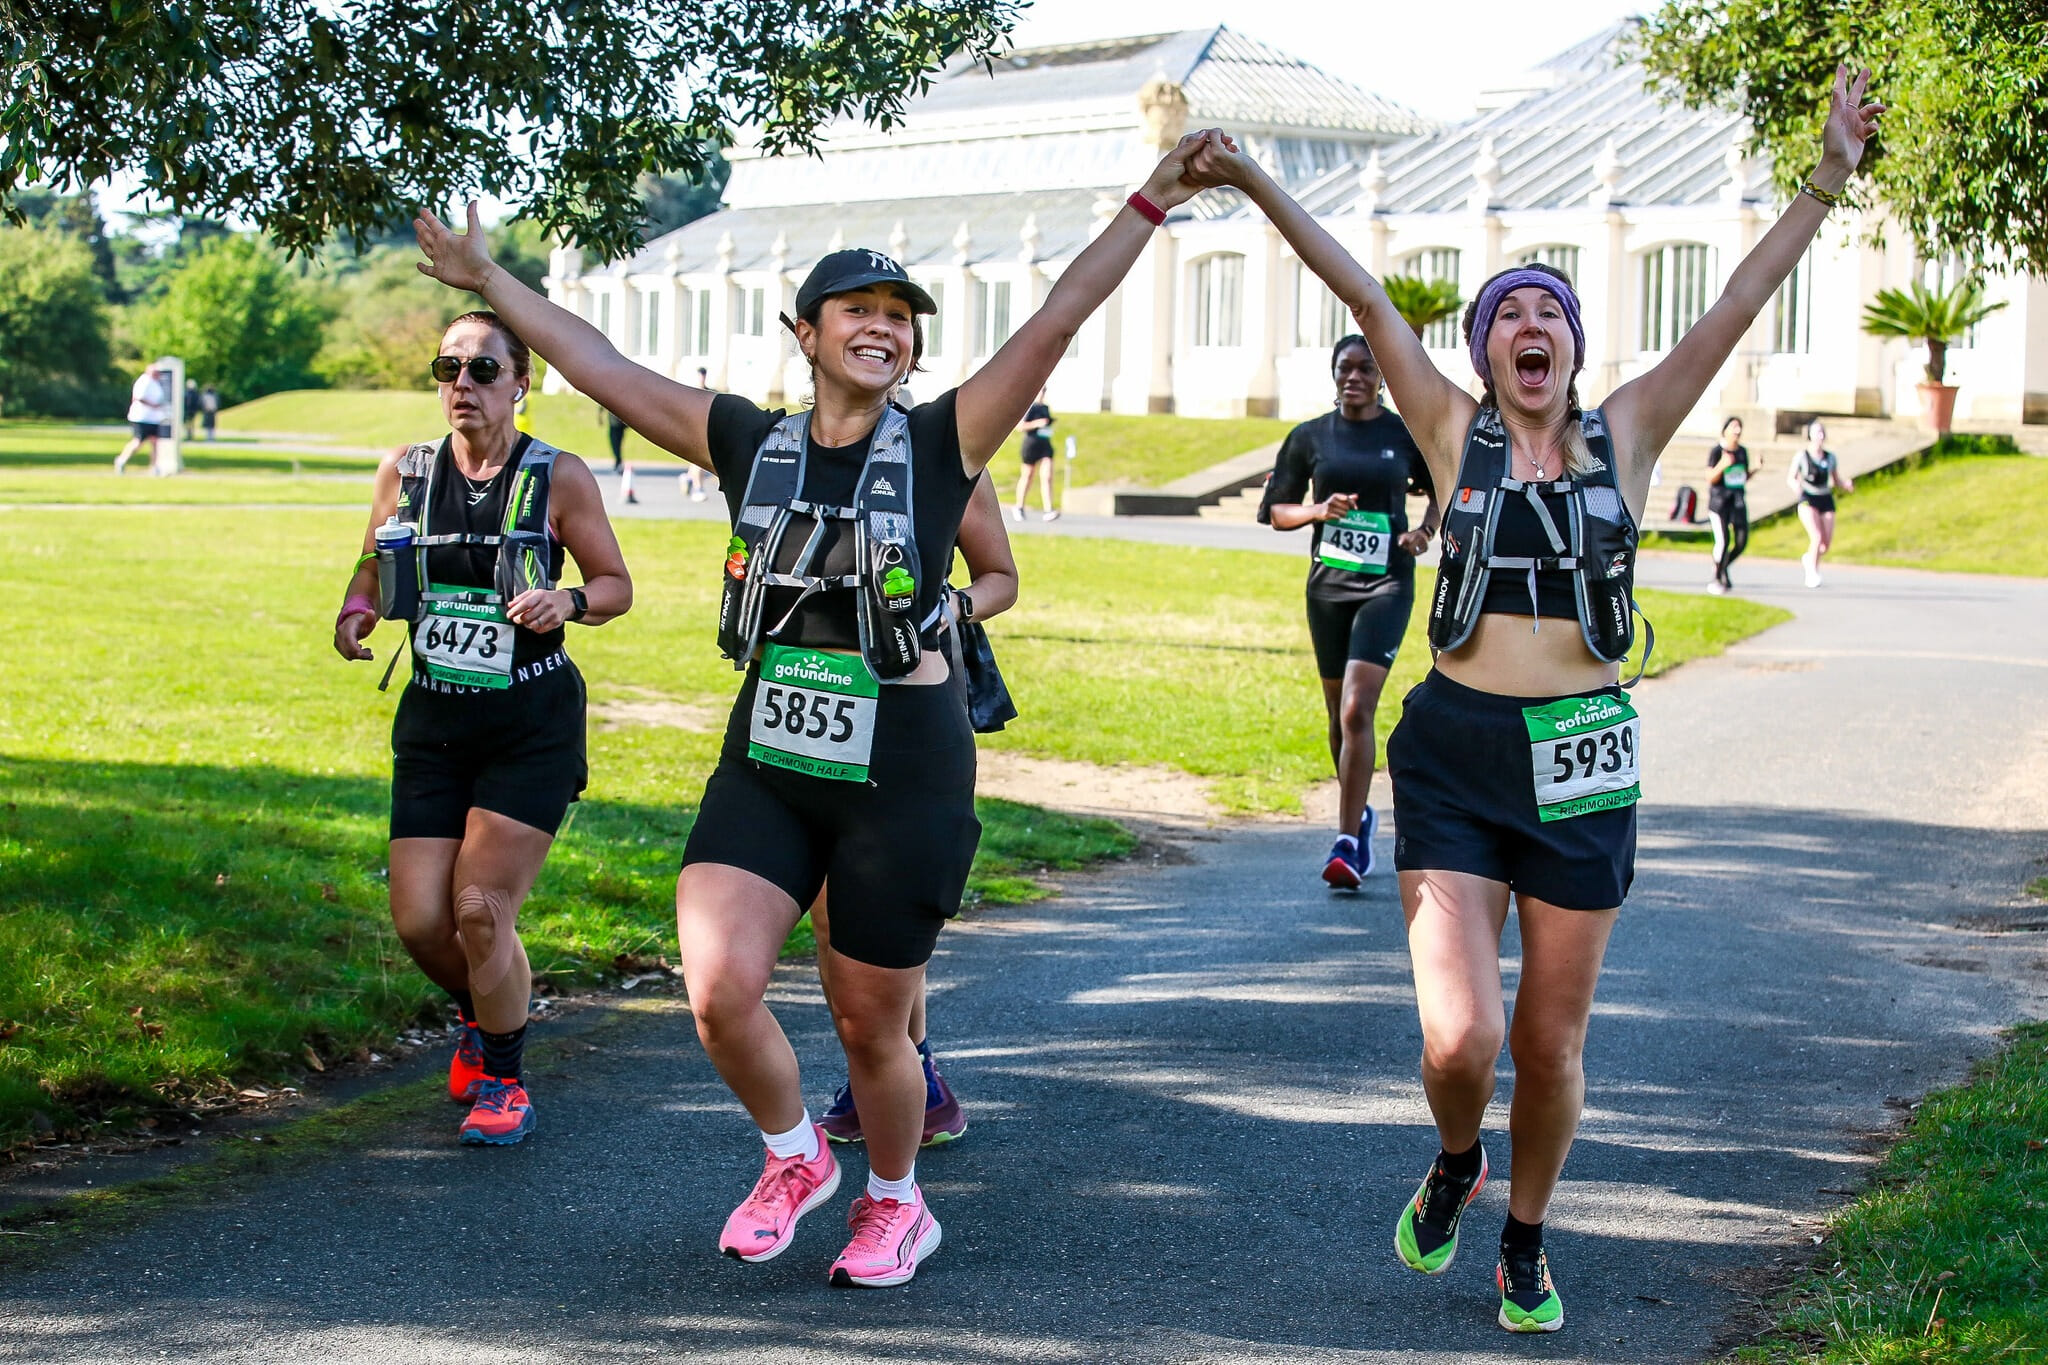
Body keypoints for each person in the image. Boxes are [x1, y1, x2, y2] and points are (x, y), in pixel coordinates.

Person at [412, 129, 1219, 1287]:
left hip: (905, 770)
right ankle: (794, 1156)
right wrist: (490, 283)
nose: (882, 326)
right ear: (806, 332)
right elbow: (602, 368)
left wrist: (1153, 198)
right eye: (857, 308)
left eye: (901, 315)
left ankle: (897, 1200)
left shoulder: (945, 443)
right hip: (773, 756)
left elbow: (1054, 320)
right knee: (717, 988)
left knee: (868, 1026)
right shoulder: (749, 440)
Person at [1190, 66, 1882, 1334]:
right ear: (1481, 353)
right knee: (1459, 1044)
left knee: (1549, 1048)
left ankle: (1522, 1234)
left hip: (1581, 759)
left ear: (1569, 342)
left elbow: (1736, 300)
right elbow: (1354, 287)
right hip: (1454, 749)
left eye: (1546, 313)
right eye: (1505, 312)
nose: (1528, 326)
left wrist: (1827, 173)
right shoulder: (1451, 433)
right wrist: (1247, 176)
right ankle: (1456, 1159)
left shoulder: (1630, 429)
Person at [331, 311, 632, 1147]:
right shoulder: (407, 469)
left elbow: (615, 584)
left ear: (521, 384)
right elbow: (373, 561)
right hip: (433, 717)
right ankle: (480, 1010)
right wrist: (358, 610)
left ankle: (504, 1076)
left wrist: (566, 599)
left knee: (479, 907)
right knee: (420, 920)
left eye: (483, 370)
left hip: (530, 720)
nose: (462, 384)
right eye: (448, 368)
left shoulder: (558, 476)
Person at [815, 470, 1020, 1148]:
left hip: (915, 701)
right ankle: (878, 1066)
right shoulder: (791, 449)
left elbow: (1001, 576)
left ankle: (913, 1068)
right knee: (826, 907)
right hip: (817, 696)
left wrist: (950, 606)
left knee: (886, 902)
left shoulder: (943, 453)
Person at [1261, 335, 1436, 890]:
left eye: (1365, 369)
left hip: (1387, 583)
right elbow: (1275, 512)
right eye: (1344, 368)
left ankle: (1346, 843)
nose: (1353, 377)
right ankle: (1357, 814)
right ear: (1333, 373)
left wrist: (1423, 531)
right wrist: (1318, 508)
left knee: (1359, 708)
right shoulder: (1309, 437)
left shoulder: (1401, 435)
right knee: (1339, 716)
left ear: (1382, 377)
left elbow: (1443, 488)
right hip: (1327, 589)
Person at [1789, 418, 1852, 587]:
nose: (1820, 435)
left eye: (1822, 432)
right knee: (1816, 537)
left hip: (1825, 498)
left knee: (1825, 545)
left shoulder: (1830, 457)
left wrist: (1845, 484)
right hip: (1808, 498)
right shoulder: (1802, 456)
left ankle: (1809, 558)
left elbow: (1836, 479)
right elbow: (1792, 477)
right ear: (1809, 435)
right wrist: (1796, 486)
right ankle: (1812, 573)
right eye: (1817, 432)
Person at [1705, 416, 1753, 594]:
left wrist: (1755, 469)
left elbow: (1742, 476)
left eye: (1739, 427)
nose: (1737, 430)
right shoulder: (1717, 452)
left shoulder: (1742, 452)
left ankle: (1722, 566)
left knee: (1741, 541)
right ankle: (1716, 578)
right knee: (1723, 541)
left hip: (1738, 501)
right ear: (1725, 430)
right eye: (1733, 426)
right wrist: (1723, 465)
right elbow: (1710, 477)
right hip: (1720, 503)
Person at [114, 363, 171, 475]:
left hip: (154, 418)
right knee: (138, 441)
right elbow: (139, 398)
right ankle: (121, 460)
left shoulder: (155, 383)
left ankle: (154, 467)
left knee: (155, 442)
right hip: (142, 417)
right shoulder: (144, 382)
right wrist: (153, 405)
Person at [1012, 390, 1058, 521]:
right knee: (1027, 476)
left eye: (1044, 391)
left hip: (1045, 444)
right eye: (1041, 391)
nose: (1042, 394)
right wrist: (1037, 423)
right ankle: (1019, 506)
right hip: (1031, 444)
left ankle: (1048, 509)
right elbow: (1020, 426)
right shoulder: (1029, 407)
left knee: (1047, 475)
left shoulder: (1045, 408)